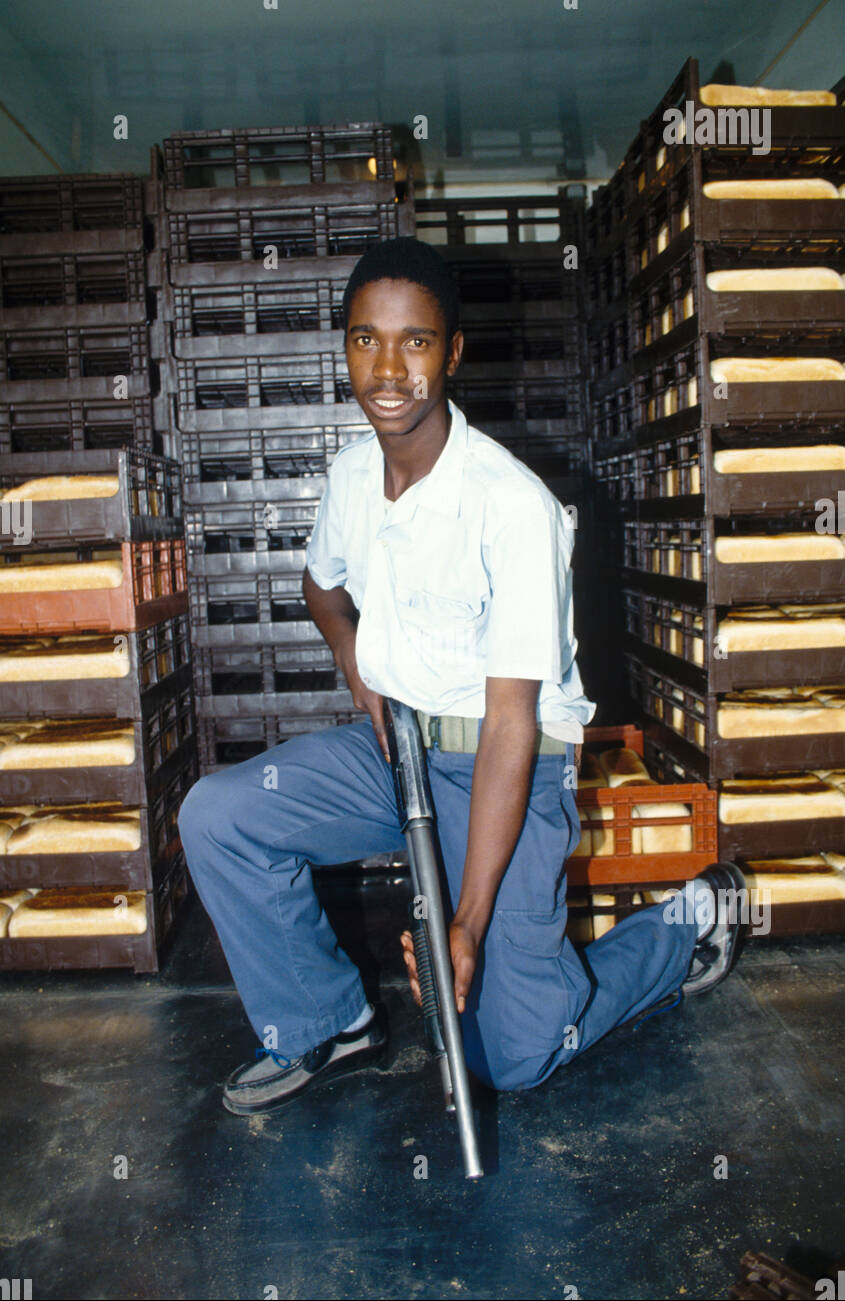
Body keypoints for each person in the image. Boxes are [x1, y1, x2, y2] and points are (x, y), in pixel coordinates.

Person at [178, 236, 746, 1116]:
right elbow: (320, 586)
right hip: (394, 749)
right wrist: (356, 669)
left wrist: (465, 926)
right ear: (345, 350)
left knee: (510, 1055)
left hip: (504, 770)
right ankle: (324, 1023)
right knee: (219, 815)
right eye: (367, 339)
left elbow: (512, 724)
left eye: (415, 341)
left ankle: (687, 923)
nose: (389, 367)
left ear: (452, 352)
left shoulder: (511, 507)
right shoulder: (351, 475)